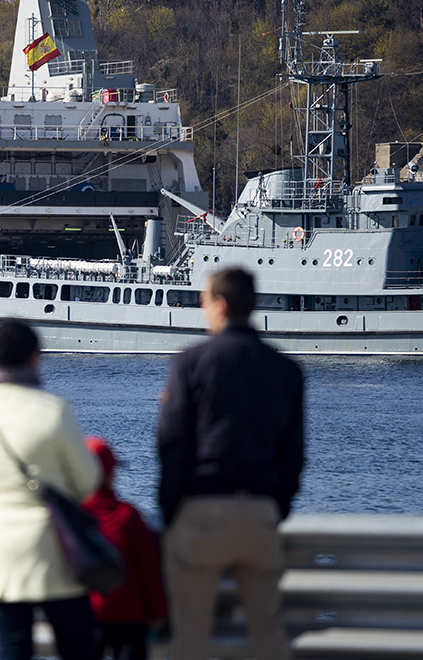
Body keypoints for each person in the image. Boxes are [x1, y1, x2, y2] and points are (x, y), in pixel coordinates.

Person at [157, 267, 304, 660]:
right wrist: (275, 507)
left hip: (202, 510)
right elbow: (294, 456)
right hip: (260, 513)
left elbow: (171, 444)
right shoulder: (287, 370)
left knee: (189, 638)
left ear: (220, 305)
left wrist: (171, 512)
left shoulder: (191, 363)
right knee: (269, 636)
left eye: (204, 302)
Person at [0, 320, 102, 660]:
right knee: (78, 646)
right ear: (36, 357)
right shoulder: (53, 410)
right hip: (55, 549)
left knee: (13, 645)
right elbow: (87, 481)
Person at [81, 436, 167, 660]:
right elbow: (148, 569)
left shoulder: (72, 519)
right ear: (111, 472)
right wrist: (157, 611)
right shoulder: (128, 516)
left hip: (85, 614)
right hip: (130, 614)